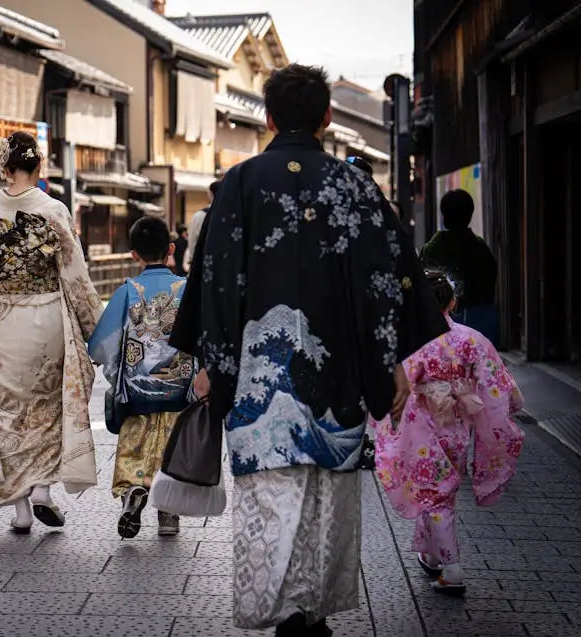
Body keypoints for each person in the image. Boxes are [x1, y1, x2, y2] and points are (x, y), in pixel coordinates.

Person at [172, 64, 447, 636]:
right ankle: (313, 610)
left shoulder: (239, 185)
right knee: (327, 500)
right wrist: (388, 364)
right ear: (326, 118)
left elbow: (217, 284)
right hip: (338, 380)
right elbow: (383, 283)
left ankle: (284, 613)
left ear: (268, 117)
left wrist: (210, 368)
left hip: (255, 381)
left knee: (269, 499)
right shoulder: (355, 188)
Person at [0, 131, 102, 534]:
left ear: (5, 167)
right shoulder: (53, 210)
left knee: (7, 416)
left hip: (2, 324)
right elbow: (75, 275)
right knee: (48, 408)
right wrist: (95, 328)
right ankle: (42, 489)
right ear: (39, 167)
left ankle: (20, 511)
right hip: (46, 320)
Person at [374, 270, 524, 596]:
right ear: (453, 301)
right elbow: (497, 380)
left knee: (435, 493)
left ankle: (453, 569)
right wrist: (510, 403)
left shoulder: (413, 340)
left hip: (423, 427)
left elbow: (394, 382)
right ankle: (429, 553)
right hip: (457, 428)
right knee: (442, 491)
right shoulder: (470, 339)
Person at [88, 216, 195, 538]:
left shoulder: (128, 291)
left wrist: (99, 359)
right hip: (180, 388)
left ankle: (133, 489)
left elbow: (102, 345)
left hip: (137, 391)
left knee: (134, 444)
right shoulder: (188, 289)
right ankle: (169, 514)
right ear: (171, 249)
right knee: (174, 448)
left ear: (134, 254)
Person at [420, 190, 498, 345]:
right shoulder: (481, 247)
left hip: (445, 328)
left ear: (444, 215)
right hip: (482, 322)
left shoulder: (432, 250)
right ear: (470, 215)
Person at [183, 180, 219, 273]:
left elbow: (192, 241)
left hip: (203, 262)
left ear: (210, 194)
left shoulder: (200, 215)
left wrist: (193, 258)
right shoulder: (234, 214)